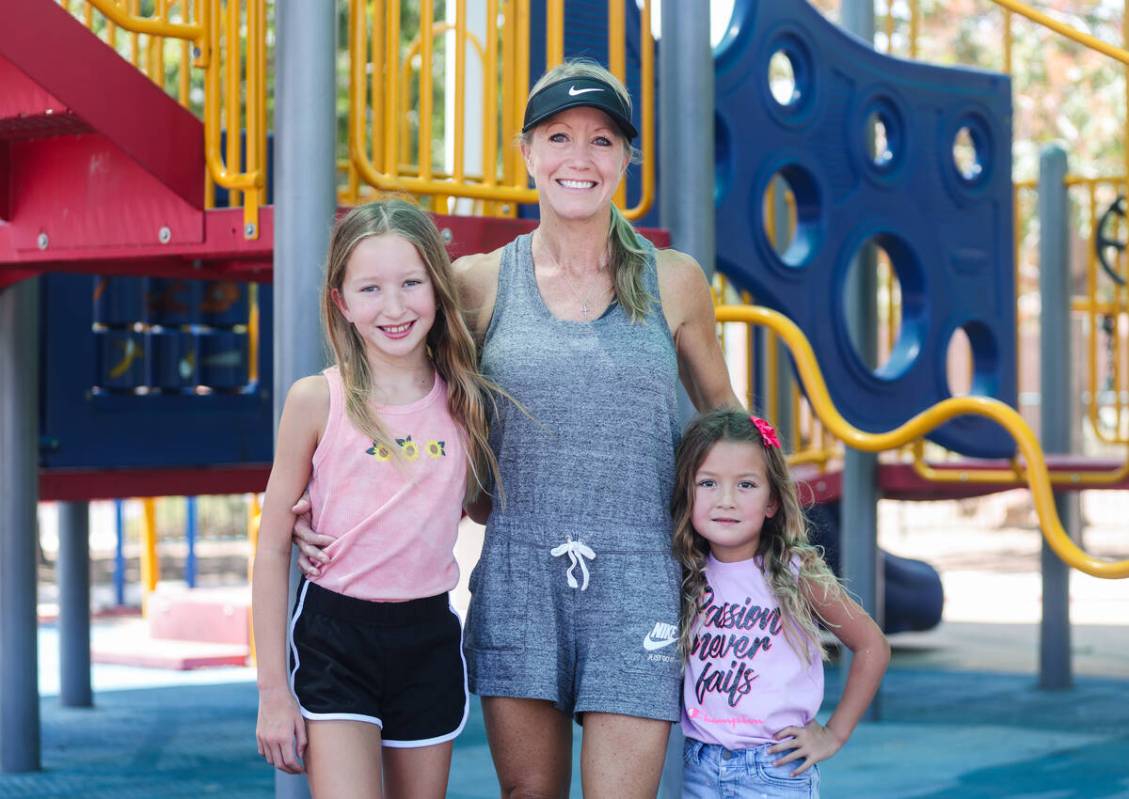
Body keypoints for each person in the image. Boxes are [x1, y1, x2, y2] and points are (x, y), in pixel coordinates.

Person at [294, 59, 739, 797]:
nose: (580, 158)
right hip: (519, 570)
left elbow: (724, 418)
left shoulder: (675, 280)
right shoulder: (476, 283)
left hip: (639, 576)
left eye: (601, 141)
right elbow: (393, 391)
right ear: (526, 152)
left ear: (625, 158)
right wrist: (318, 502)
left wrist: (766, 526)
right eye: (558, 137)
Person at [252, 199, 500, 798]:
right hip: (336, 637)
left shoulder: (467, 402)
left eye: (412, 283)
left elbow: (480, 505)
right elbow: (271, 549)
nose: (394, 307)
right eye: (370, 289)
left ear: (438, 290)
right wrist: (272, 693)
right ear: (341, 301)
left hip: (427, 638)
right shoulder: (316, 400)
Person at [672, 409, 890, 798]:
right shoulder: (683, 572)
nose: (726, 500)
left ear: (772, 501)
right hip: (697, 766)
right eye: (707, 483)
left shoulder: (795, 570)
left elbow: (872, 645)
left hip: (772, 769)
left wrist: (833, 734)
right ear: (686, 492)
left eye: (746, 485)